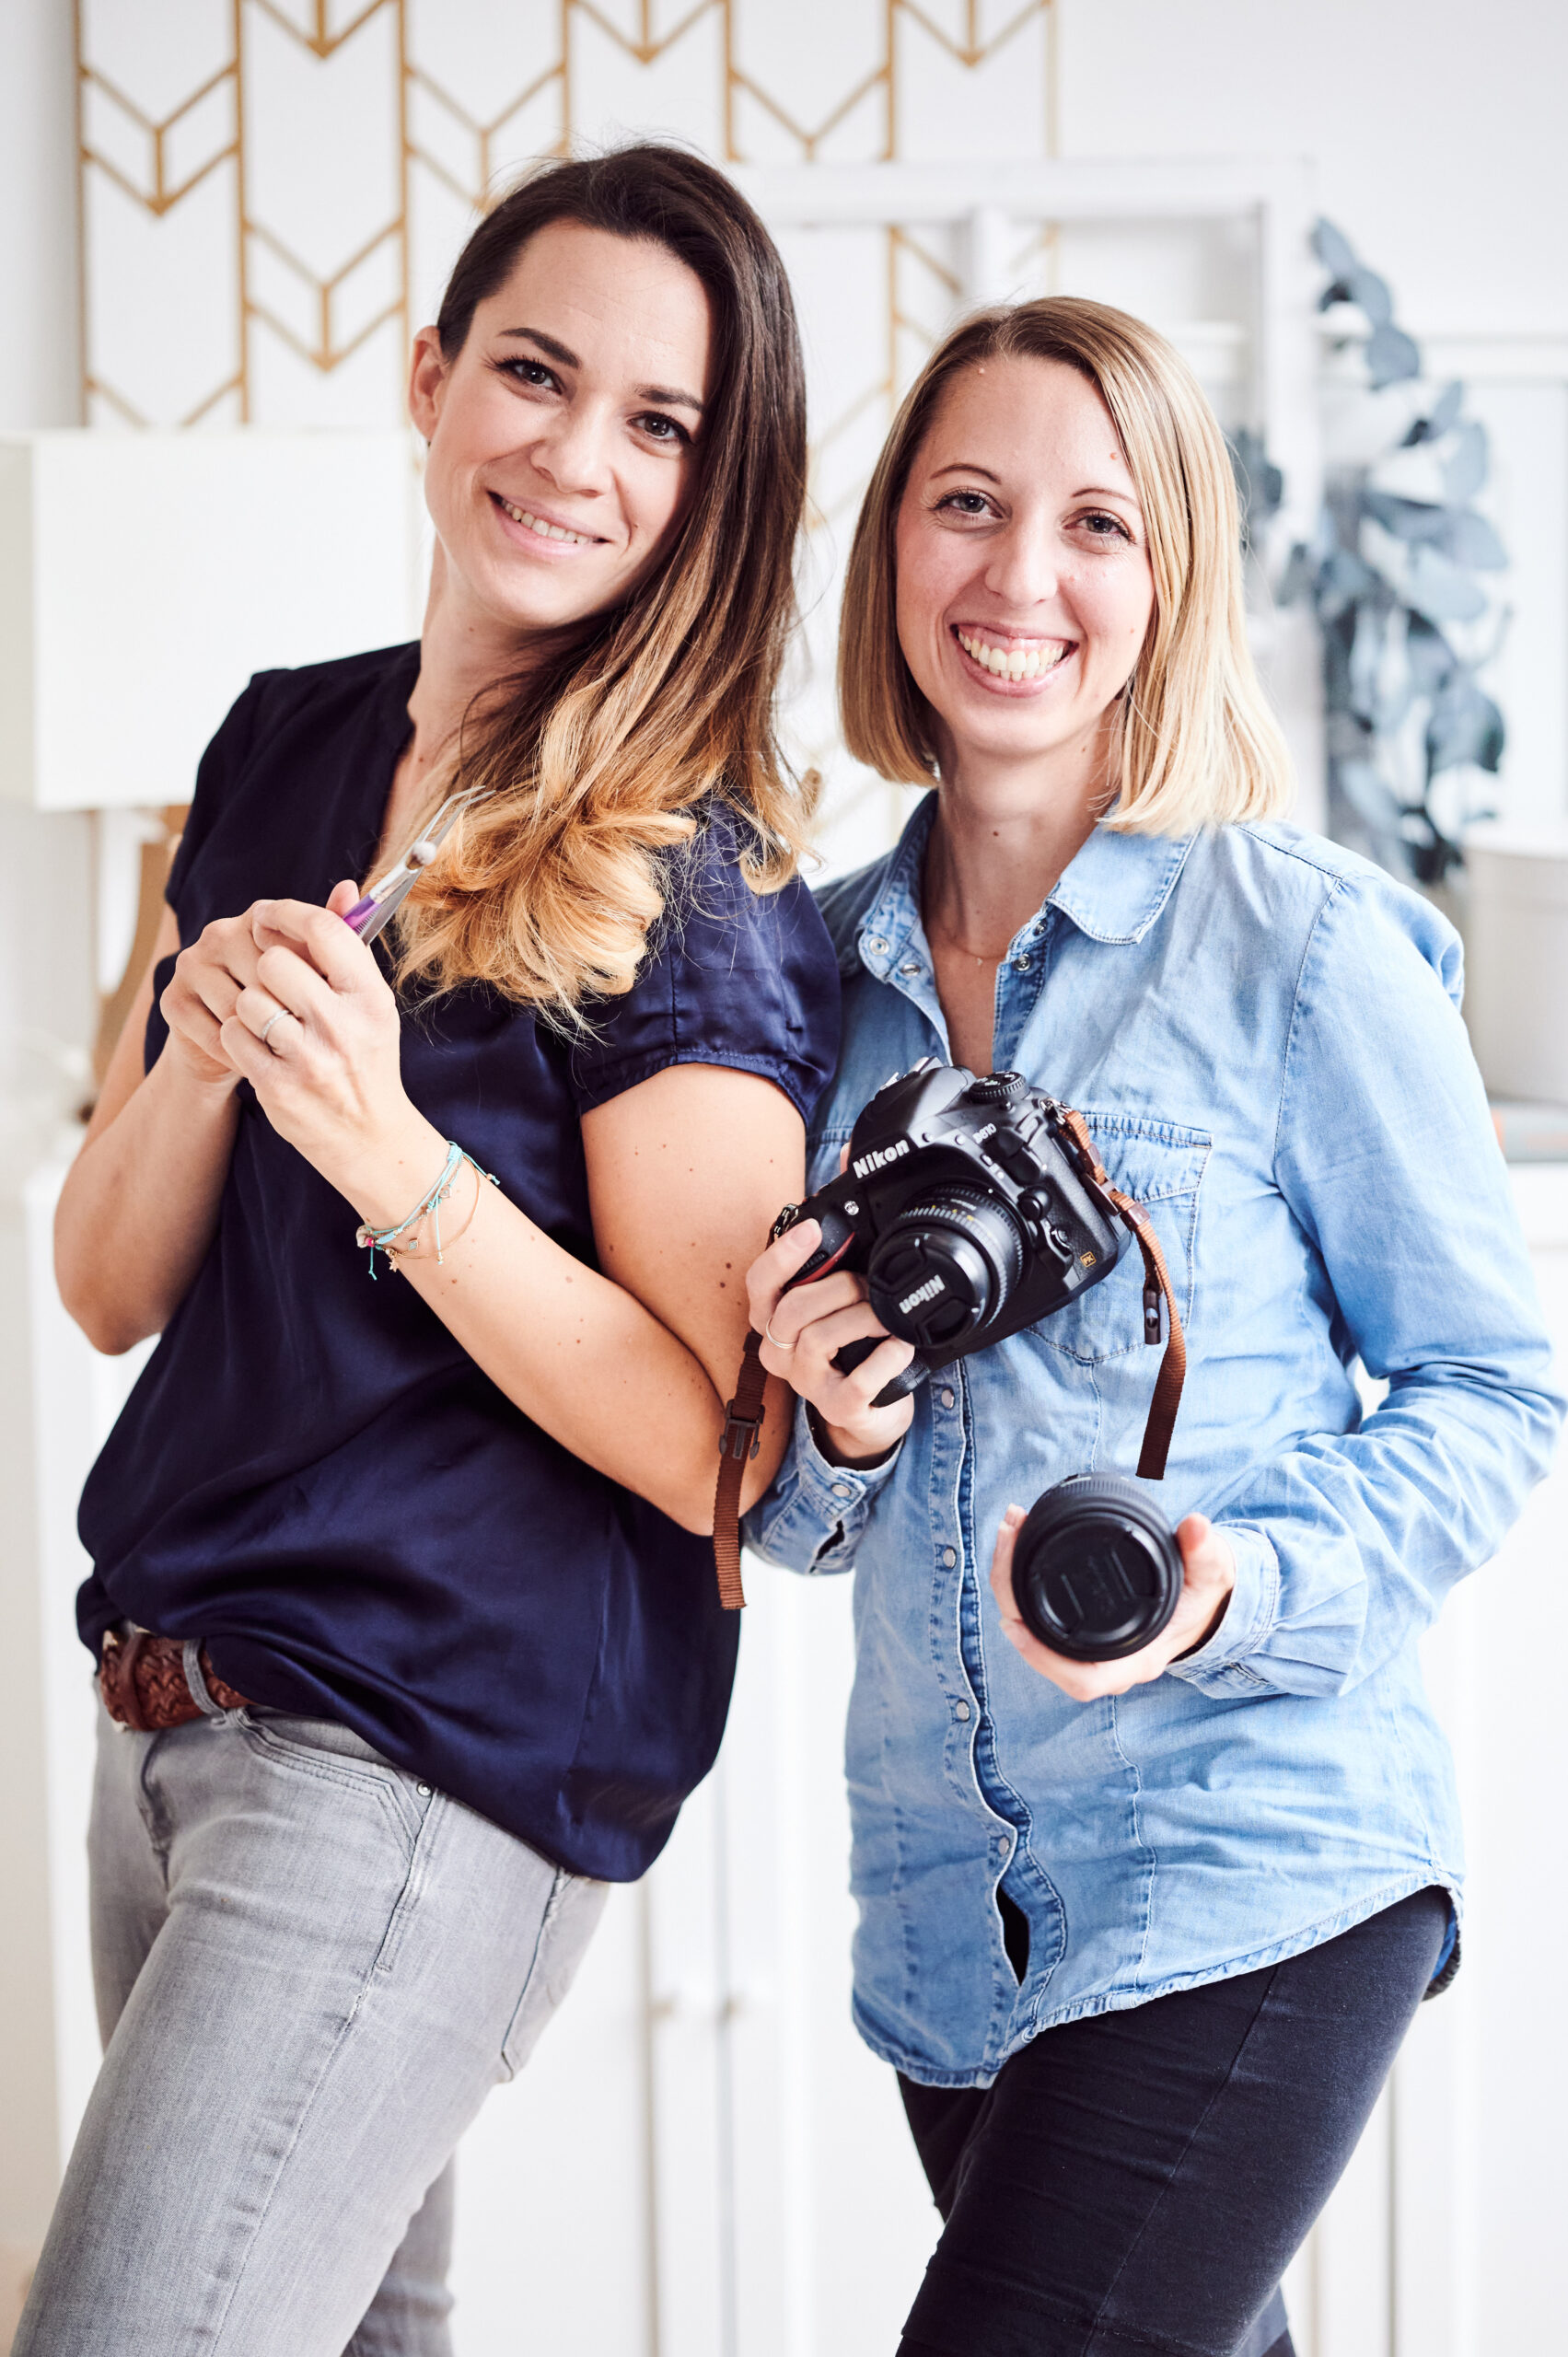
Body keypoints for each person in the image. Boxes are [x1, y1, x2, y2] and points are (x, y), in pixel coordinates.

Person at [26, 146, 837, 2357]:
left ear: (710, 484)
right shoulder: (278, 739)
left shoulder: (686, 875)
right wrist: (204, 1056)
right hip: (167, 1721)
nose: (576, 456)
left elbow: (725, 1445)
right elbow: (105, 1284)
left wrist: (389, 1149)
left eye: (658, 425)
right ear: (429, 376)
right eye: (537, 373)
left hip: (410, 1769)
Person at [743, 296, 1562, 2357]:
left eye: (1098, 523)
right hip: (953, 1916)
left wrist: (1241, 1581)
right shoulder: (805, 991)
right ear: (893, 554)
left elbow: (1499, 1383)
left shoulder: (1298, 943)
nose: (1023, 577)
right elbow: (795, 1524)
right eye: (968, 505)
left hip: (1252, 1852)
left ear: (1168, 576)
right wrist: (827, 1429)